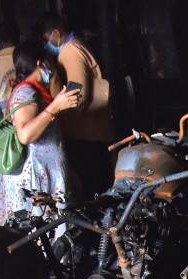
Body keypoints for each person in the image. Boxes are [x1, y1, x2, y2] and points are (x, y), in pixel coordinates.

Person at [0, 40, 81, 222]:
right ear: (40, 63)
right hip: (35, 180)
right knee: (43, 238)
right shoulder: (25, 92)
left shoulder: (34, 91)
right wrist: (56, 106)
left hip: (44, 176)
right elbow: (25, 134)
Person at [38, 12, 113, 196]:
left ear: (56, 33)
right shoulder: (76, 46)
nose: (46, 44)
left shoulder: (70, 51)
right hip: (91, 133)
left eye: (46, 38)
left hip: (85, 135)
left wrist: (62, 122)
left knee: (91, 193)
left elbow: (77, 96)